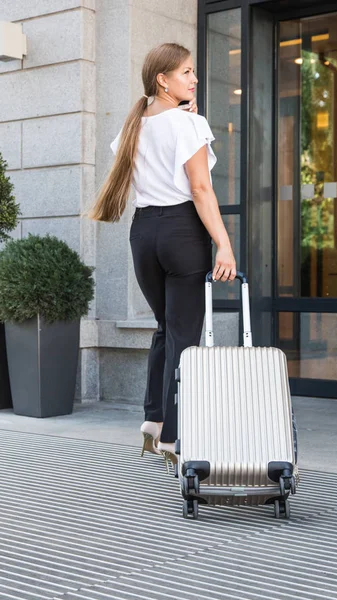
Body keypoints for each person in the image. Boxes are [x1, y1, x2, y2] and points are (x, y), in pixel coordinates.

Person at [89, 42, 236, 471]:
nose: (194, 79)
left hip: (144, 234)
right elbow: (200, 189)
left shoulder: (135, 125)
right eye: (187, 72)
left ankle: (153, 421)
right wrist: (224, 244)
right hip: (181, 232)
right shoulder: (190, 125)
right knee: (184, 339)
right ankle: (175, 437)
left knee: (164, 327)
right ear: (163, 80)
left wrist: (182, 119)